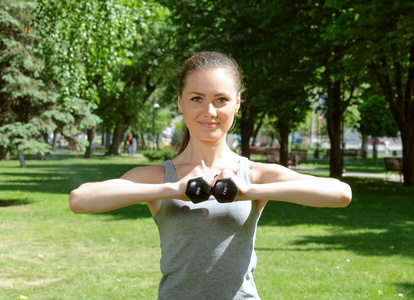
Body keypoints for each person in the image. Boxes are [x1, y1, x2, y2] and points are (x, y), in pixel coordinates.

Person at [69, 51, 352, 299]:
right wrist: (172, 190)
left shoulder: (251, 174)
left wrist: (251, 191)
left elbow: (340, 194)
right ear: (180, 103)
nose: (209, 111)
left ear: (237, 105)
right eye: (197, 98)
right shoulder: (160, 176)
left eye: (221, 99)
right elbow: (80, 200)